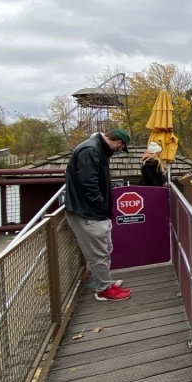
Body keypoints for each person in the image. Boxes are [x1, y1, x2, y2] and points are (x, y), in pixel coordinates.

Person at [65, 128, 132, 301]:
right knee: (98, 253)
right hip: (88, 213)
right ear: (118, 142)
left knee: (104, 249)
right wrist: (101, 204)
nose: (118, 151)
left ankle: (104, 282)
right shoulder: (90, 150)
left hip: (94, 212)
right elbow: (89, 184)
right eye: (121, 148)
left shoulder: (95, 148)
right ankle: (103, 290)